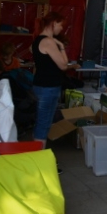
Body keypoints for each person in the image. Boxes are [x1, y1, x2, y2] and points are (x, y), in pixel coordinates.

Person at [32, 12, 80, 149]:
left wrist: (60, 45)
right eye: (60, 25)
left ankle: (36, 154)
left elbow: (63, 64)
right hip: (47, 87)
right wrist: (61, 47)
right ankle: (39, 158)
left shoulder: (40, 39)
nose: (62, 28)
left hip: (43, 85)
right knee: (43, 124)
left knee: (42, 122)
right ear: (53, 24)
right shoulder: (48, 41)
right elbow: (64, 65)